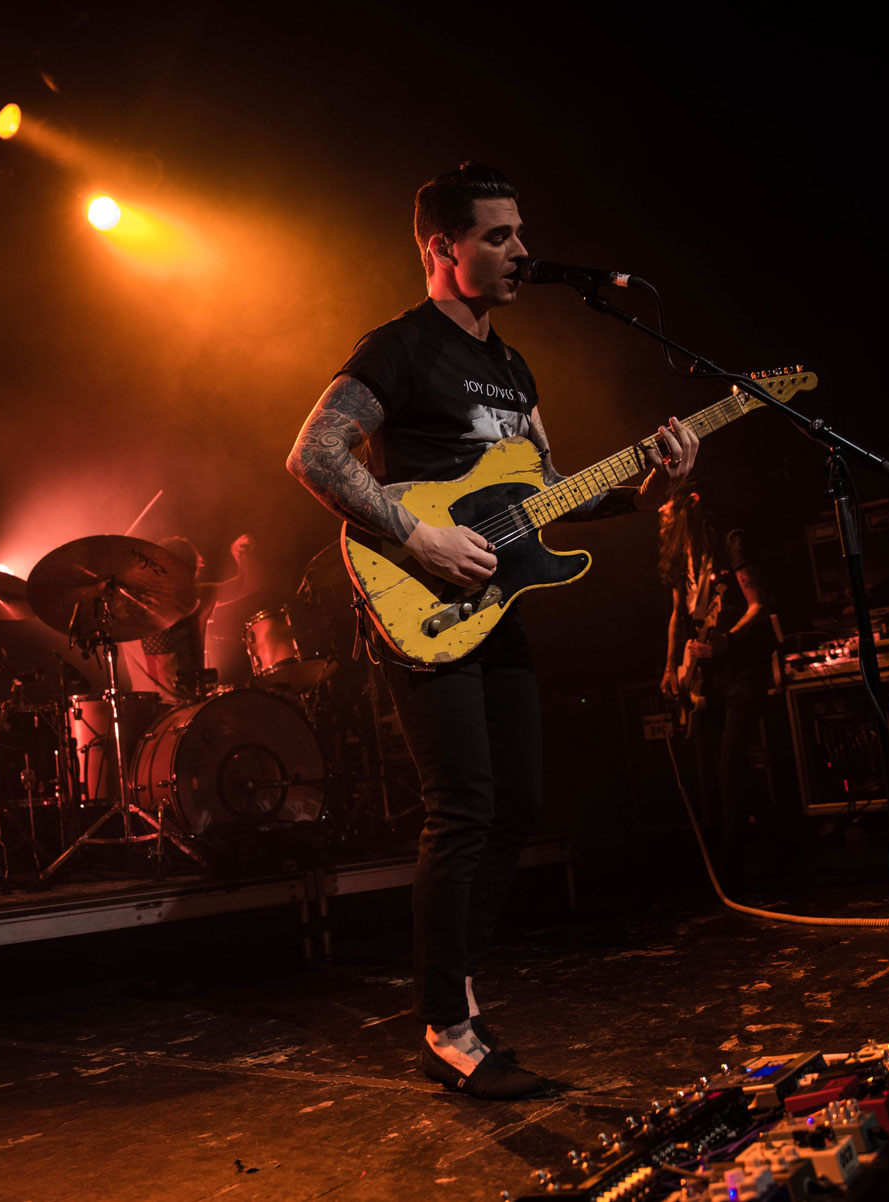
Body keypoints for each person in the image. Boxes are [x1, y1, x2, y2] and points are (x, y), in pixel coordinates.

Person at [285, 162, 698, 1099]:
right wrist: (418, 533)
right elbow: (312, 453)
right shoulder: (400, 346)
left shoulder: (514, 367)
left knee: (516, 807)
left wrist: (648, 483)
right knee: (463, 806)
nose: (522, 251)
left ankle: (460, 995)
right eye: (499, 236)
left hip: (500, 602)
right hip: (418, 596)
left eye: (521, 232)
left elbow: (551, 498)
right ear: (443, 248)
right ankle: (443, 1022)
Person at [658, 486, 776, 892]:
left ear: (691, 504)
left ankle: (732, 865)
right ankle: (774, 838)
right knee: (720, 767)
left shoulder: (731, 544)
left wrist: (729, 639)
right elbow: (678, 614)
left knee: (730, 764)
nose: (661, 509)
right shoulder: (679, 558)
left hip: (744, 666)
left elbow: (759, 606)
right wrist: (672, 666)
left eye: (669, 502)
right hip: (708, 671)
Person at [130, 534, 258, 705]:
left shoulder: (199, 594)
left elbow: (248, 584)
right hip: (148, 708)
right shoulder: (129, 602)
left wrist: (242, 556)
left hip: (193, 706)